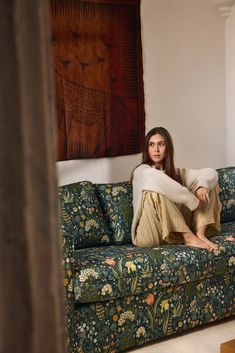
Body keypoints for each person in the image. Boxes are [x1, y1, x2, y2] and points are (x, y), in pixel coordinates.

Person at [131, 127, 224, 251]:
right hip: (149, 234)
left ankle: (200, 234)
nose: (156, 149)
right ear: (147, 149)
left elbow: (211, 172)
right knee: (155, 192)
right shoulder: (141, 172)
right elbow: (158, 179)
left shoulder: (177, 173)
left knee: (206, 185)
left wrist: (202, 185)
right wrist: (192, 200)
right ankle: (189, 238)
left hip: (171, 233)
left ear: (168, 148)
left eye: (161, 144)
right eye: (151, 145)